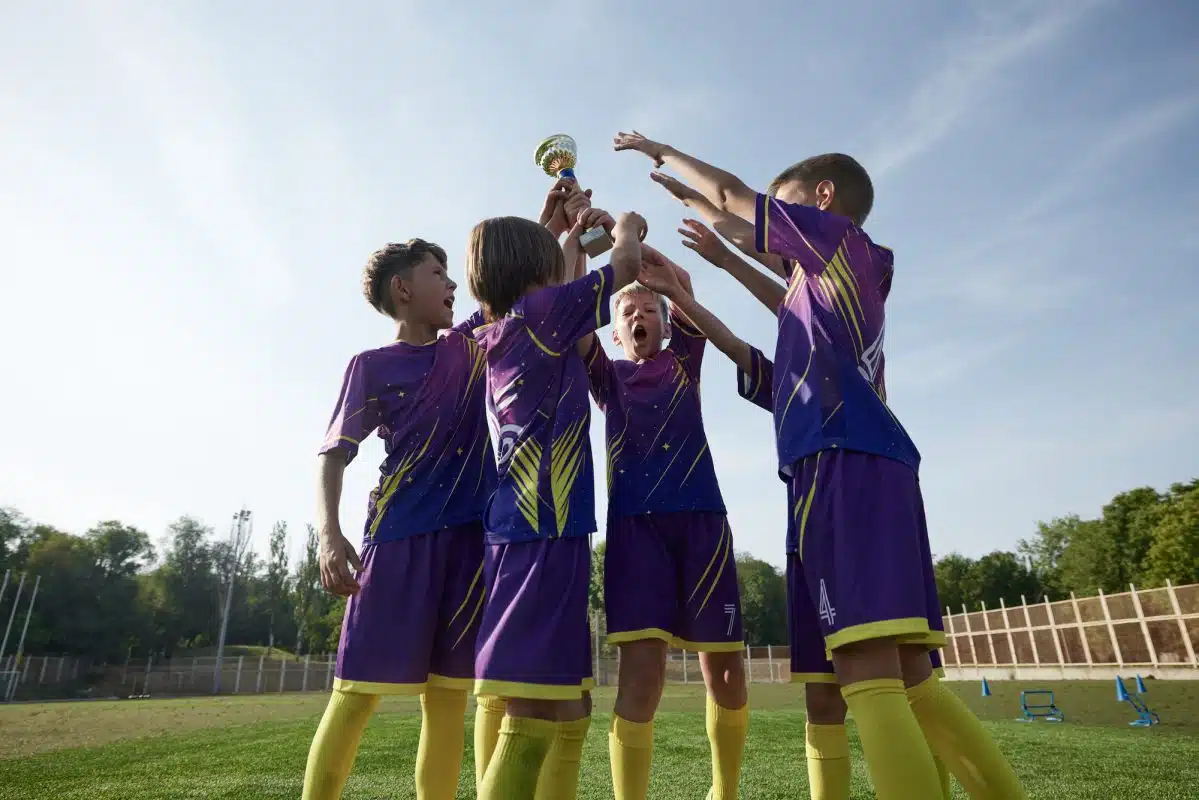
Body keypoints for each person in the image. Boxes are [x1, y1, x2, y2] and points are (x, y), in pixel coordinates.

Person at [618, 131, 1025, 799]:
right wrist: (710, 267)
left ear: (822, 202)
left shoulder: (840, 245)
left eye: (781, 208)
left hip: (847, 468)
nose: (769, 224)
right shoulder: (819, 296)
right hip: (836, 469)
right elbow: (765, 334)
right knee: (888, 682)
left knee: (869, 672)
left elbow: (729, 199)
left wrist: (663, 152)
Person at [677, 219, 956, 799]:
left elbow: (785, 298)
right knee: (824, 695)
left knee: (905, 681)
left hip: (857, 494)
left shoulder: (842, 306)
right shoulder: (801, 372)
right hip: (812, 510)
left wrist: (716, 234)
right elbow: (742, 348)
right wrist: (689, 290)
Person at [304, 239, 495, 800]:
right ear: (403, 289)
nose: (453, 285)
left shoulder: (469, 348)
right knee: (355, 694)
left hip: (468, 546)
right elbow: (332, 452)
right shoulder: (371, 366)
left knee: (448, 701)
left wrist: (552, 219)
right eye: (438, 273)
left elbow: (504, 275)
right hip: (397, 541)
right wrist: (329, 534)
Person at [467, 210, 648, 800]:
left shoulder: (497, 327)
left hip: (534, 529)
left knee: (569, 705)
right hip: (540, 528)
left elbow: (557, 278)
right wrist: (626, 227)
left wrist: (562, 236)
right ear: (535, 269)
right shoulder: (545, 315)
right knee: (530, 710)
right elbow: (623, 268)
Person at [568, 211, 747, 799]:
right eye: (627, 313)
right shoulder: (607, 378)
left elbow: (686, 296)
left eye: (648, 311)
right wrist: (588, 240)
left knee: (724, 670)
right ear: (615, 332)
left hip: (702, 524)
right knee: (641, 675)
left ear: (666, 327)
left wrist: (645, 254)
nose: (638, 316)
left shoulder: (684, 361)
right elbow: (576, 323)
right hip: (635, 534)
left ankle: (724, 791)